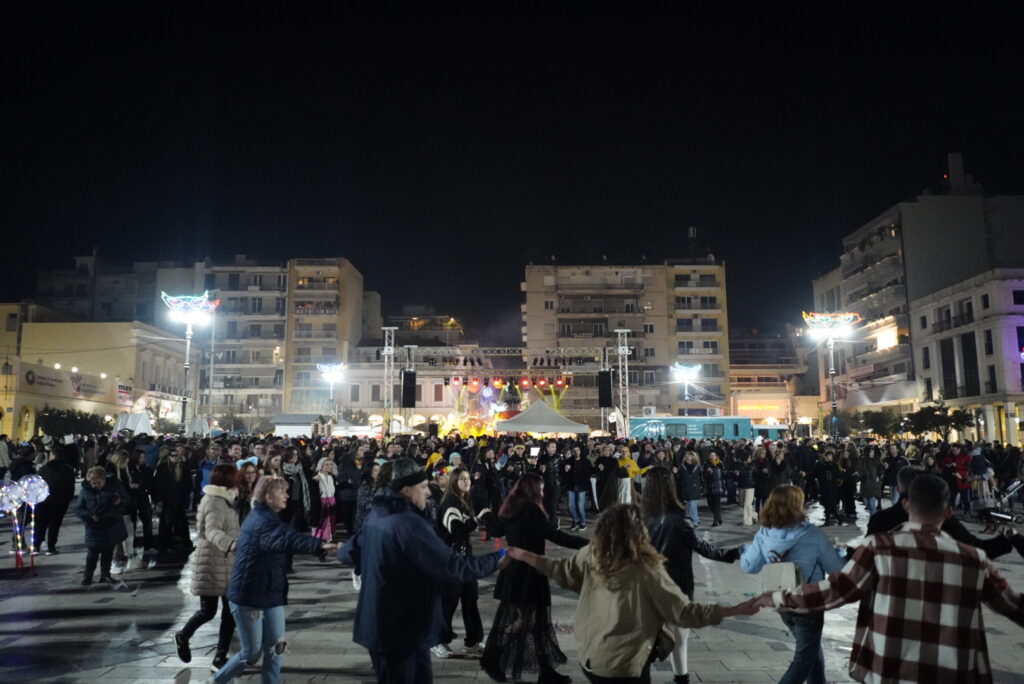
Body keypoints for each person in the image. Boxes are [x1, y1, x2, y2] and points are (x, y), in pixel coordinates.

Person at [755, 474, 1024, 683]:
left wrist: (780, 596)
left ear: (906, 504)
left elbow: (836, 591)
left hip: (889, 669)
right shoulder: (974, 559)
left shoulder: (878, 549)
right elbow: (1014, 606)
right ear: (948, 511)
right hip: (955, 673)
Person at [507, 504, 760, 684]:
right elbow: (683, 613)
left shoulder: (592, 555)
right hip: (625, 664)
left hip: (591, 657)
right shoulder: (646, 570)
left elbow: (559, 569)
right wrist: (734, 609)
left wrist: (525, 555)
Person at [339, 458, 508, 684]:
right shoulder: (408, 524)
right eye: (423, 487)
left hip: (381, 624)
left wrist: (336, 548)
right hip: (400, 626)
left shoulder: (377, 514)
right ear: (406, 489)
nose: (428, 493)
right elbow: (452, 567)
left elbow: (347, 554)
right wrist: (497, 558)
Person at [213, 475, 337, 683]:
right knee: (251, 653)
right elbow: (288, 538)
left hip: (270, 590)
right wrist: (320, 545)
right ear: (268, 497)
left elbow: (286, 537)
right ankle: (217, 680)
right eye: (282, 491)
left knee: (276, 647)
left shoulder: (268, 517)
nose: (287, 496)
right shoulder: (263, 521)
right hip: (249, 595)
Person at [480, 472, 588, 684]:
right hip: (528, 572)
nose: (543, 490)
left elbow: (495, 530)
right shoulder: (531, 511)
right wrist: (587, 544)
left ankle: (545, 671)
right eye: (540, 487)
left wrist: (486, 514)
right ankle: (492, 657)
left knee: (536, 621)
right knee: (526, 620)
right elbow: (557, 536)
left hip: (516, 571)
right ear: (533, 489)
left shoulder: (512, 508)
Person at [642, 467, 741, 684]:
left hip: (650, 586)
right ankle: (682, 679)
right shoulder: (677, 520)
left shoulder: (643, 519)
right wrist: (734, 553)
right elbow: (703, 548)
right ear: (670, 487)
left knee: (648, 640)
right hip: (678, 585)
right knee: (680, 639)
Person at [739, 485, 846, 684]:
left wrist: (745, 550)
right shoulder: (812, 534)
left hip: (781, 602)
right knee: (803, 659)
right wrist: (840, 552)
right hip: (808, 601)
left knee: (811, 649)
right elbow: (836, 569)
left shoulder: (764, 534)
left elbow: (748, 566)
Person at [866, 465, 1013, 558]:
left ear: (898, 489)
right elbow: (978, 549)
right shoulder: (939, 518)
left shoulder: (880, 520)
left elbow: (862, 558)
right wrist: (1010, 538)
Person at [176, 464, 240, 670]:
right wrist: (229, 543)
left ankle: (220, 657)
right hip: (213, 561)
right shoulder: (214, 501)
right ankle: (183, 636)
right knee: (208, 611)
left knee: (229, 612)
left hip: (225, 560)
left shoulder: (225, 499)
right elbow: (211, 530)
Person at [433, 467, 491, 658]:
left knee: (470, 598)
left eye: (468, 478)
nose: (466, 482)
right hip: (450, 561)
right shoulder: (450, 501)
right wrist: (476, 519)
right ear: (454, 482)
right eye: (462, 479)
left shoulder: (464, 500)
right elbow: (456, 530)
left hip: (464, 559)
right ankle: (437, 640)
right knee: (449, 601)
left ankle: (474, 640)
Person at [75, 466, 130, 585]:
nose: (95, 485)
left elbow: (126, 500)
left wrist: (119, 503)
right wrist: (89, 516)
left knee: (108, 552)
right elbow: (79, 508)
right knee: (92, 553)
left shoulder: (115, 487)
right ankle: (88, 577)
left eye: (98, 483)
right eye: (93, 483)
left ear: (104, 479)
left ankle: (105, 575)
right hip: (94, 526)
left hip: (111, 525)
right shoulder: (85, 490)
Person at [34, 446, 77, 554]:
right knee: (55, 524)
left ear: (52, 455)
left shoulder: (44, 469)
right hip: (60, 501)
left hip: (43, 500)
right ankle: (51, 546)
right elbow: (70, 486)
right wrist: (68, 498)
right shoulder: (68, 469)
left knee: (40, 523)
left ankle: (36, 546)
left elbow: (38, 484)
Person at [153, 446, 193, 551]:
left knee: (182, 522)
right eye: (172, 455)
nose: (175, 457)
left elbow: (188, 484)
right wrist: (158, 500)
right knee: (166, 523)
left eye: (176, 455)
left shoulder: (183, 467)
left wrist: (184, 497)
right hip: (166, 500)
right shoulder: (162, 468)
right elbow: (158, 485)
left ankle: (185, 543)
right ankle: (166, 544)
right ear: (168, 456)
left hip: (179, 499)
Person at [311, 457, 338, 541]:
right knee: (321, 521)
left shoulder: (332, 477)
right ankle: (318, 538)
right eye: (326, 464)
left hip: (332, 501)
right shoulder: (316, 477)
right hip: (321, 502)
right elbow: (313, 493)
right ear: (321, 466)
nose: (329, 466)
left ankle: (328, 537)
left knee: (331, 521)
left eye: (330, 464)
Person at [675, 452, 703, 527]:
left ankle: (695, 521)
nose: (688, 458)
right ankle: (695, 519)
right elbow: (678, 477)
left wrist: (703, 487)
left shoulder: (697, 466)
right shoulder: (682, 466)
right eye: (687, 456)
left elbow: (701, 477)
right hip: (686, 488)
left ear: (694, 457)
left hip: (695, 488)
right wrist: (675, 473)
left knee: (692, 505)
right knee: (689, 505)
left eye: (690, 456)